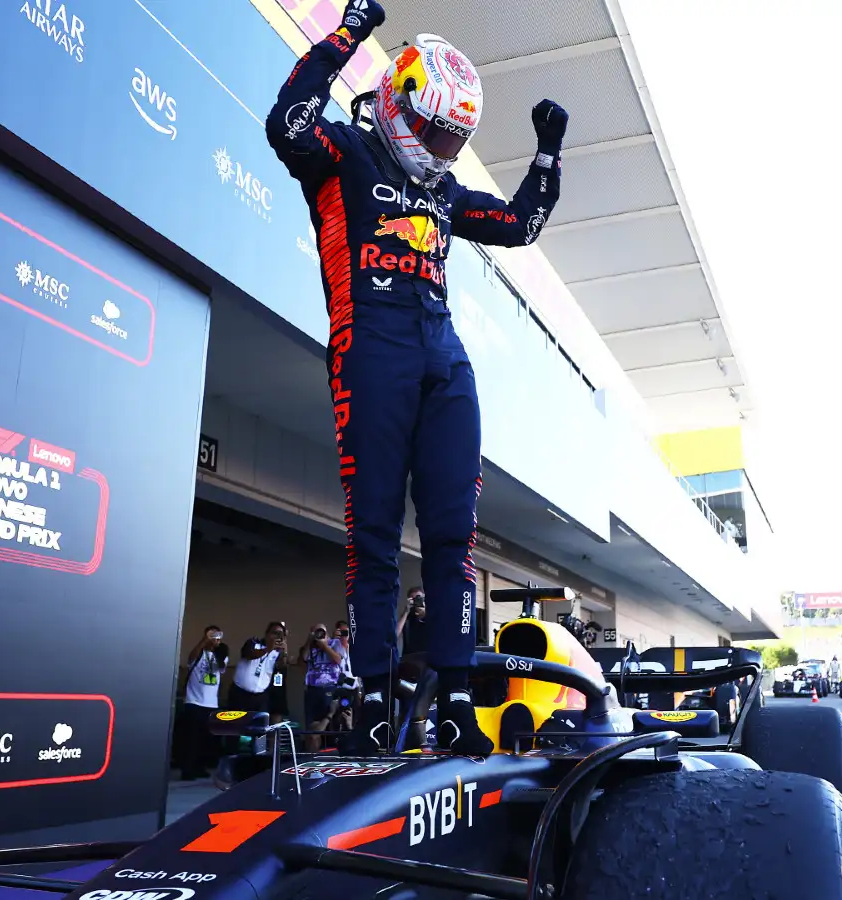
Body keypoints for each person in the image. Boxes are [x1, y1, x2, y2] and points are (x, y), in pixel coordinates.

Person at [266, 0, 568, 756]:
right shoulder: (341, 152)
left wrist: (546, 154)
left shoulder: (444, 193)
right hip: (369, 351)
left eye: (453, 136)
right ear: (397, 104)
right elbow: (286, 125)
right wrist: (348, 33)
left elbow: (520, 225)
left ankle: (458, 699)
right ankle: (371, 695)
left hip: (444, 359)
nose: (440, 146)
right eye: (433, 128)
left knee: (452, 538)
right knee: (371, 536)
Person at [175, 625, 230, 780]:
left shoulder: (221, 654)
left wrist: (217, 647)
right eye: (212, 634)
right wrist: (204, 641)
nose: (215, 638)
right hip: (194, 701)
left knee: (206, 739)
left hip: (211, 703)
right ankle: (187, 769)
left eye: (218, 635)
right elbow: (191, 658)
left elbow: (221, 667)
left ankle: (199, 767)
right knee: (192, 738)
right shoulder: (199, 653)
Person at [229, 621, 292, 723]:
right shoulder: (253, 642)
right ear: (267, 634)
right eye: (275, 633)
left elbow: (281, 666)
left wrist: (284, 651)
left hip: (260, 697)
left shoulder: (277, 652)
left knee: (258, 730)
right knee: (235, 728)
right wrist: (268, 649)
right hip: (240, 693)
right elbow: (248, 654)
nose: (277, 636)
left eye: (281, 634)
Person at [299, 623, 347, 750]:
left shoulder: (335, 643)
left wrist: (324, 646)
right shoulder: (309, 645)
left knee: (330, 726)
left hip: (330, 688)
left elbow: (338, 660)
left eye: (322, 632)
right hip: (312, 690)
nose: (319, 634)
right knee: (312, 730)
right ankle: (312, 756)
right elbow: (303, 658)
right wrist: (309, 640)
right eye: (316, 632)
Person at [398, 587, 429, 656]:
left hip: (428, 657)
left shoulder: (432, 615)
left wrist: (426, 613)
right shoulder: (408, 618)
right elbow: (395, 635)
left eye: (419, 598)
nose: (417, 601)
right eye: (414, 600)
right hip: (410, 658)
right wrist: (406, 612)